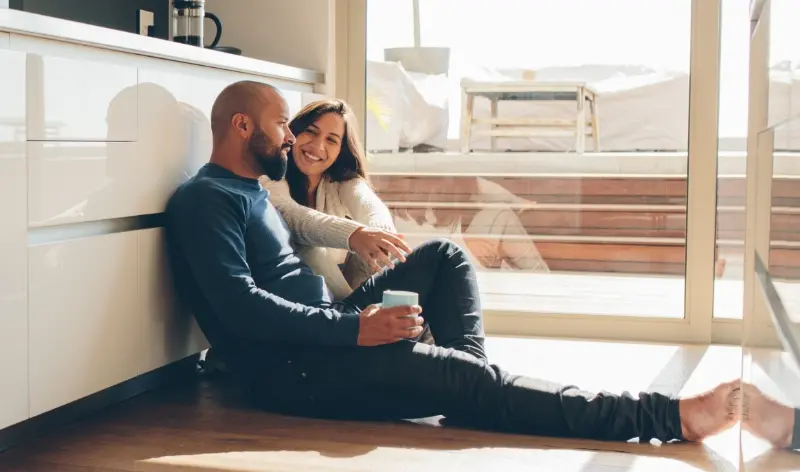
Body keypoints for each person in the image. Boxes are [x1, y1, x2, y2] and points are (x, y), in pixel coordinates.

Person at [165, 79, 740, 445]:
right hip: (293, 371)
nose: (290, 138)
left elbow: (321, 231)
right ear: (242, 127)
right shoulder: (204, 200)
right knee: (467, 380)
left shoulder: (257, 193)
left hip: (327, 332)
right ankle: (665, 419)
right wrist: (354, 330)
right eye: (281, 125)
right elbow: (239, 309)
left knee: (445, 256)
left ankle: (466, 387)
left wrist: (351, 319)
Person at [259, 99, 395, 301]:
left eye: (331, 140)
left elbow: (370, 207)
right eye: (311, 132)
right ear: (294, 132)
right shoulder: (271, 177)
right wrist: (354, 234)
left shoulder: (342, 182)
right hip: (292, 291)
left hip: (345, 286)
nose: (317, 146)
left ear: (341, 150)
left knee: (444, 252)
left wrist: (380, 235)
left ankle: (368, 314)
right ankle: (355, 314)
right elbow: (289, 214)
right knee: (306, 244)